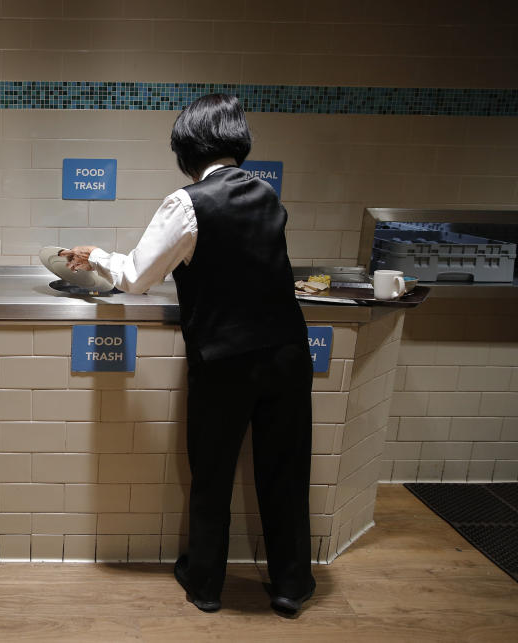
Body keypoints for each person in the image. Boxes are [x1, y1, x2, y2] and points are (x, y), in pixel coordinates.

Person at [62, 94, 316, 616]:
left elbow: (135, 277)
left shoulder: (188, 202)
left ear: (188, 148)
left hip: (226, 360)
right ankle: (291, 585)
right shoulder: (267, 194)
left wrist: (96, 257)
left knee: (214, 471)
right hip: (289, 354)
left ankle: (205, 584)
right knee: (285, 472)